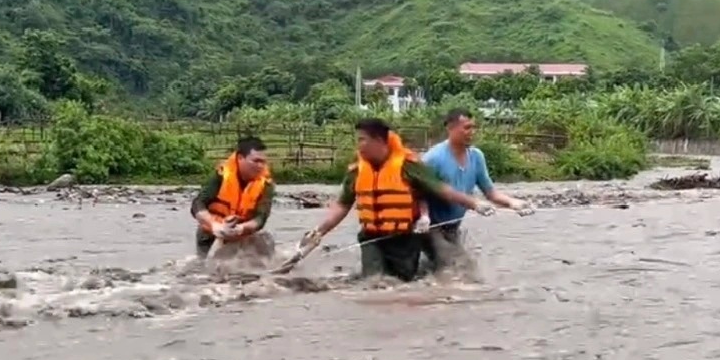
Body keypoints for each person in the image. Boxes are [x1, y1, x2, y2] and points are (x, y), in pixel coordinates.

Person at [299, 118, 496, 281]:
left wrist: (474, 204)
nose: (359, 146)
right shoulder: (357, 171)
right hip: (371, 238)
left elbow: (442, 190)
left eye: (362, 140)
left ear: (379, 141)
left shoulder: (409, 165)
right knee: (373, 283)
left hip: (405, 239)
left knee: (402, 283)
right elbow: (342, 206)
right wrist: (319, 231)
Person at [420, 108, 534, 272]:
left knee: (460, 267)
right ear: (450, 128)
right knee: (455, 268)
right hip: (431, 227)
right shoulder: (433, 158)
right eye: (466, 128)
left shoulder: (476, 156)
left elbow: (491, 193)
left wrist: (514, 203)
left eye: (474, 127)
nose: (472, 132)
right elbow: (418, 192)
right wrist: (424, 216)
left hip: (453, 226)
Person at [191, 136, 276, 260]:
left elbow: (261, 218)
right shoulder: (221, 176)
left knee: (266, 240)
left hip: (242, 233)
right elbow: (198, 204)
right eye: (256, 161)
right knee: (205, 271)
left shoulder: (266, 184)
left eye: (263, 162)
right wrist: (215, 226)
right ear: (240, 158)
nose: (260, 166)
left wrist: (241, 228)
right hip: (212, 233)